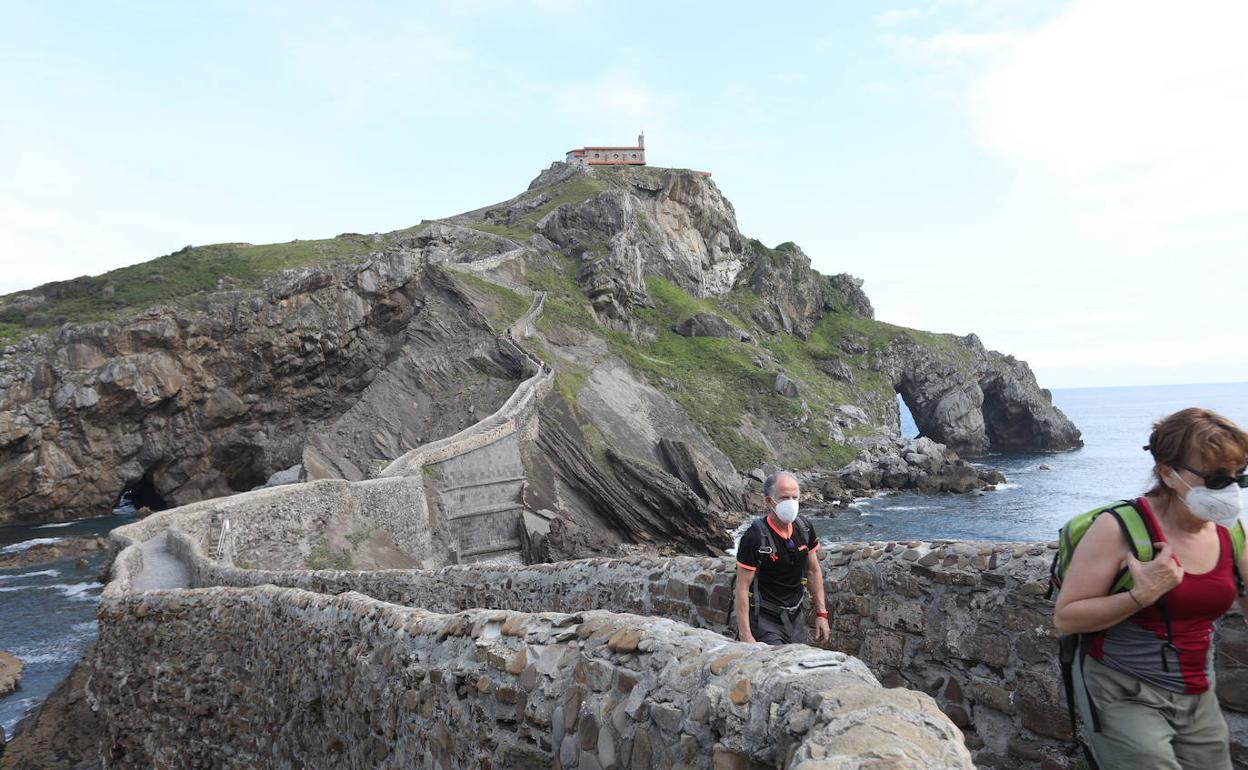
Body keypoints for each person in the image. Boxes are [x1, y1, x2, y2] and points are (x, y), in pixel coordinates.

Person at [1054, 408, 1248, 770]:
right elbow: (1066, 618)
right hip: (1124, 689)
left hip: (1198, 691)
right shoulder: (1119, 528)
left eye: (1241, 476)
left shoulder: (1231, 532)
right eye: (1219, 479)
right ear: (1168, 473)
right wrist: (1139, 596)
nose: (1233, 489)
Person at [734, 471, 830, 645]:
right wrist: (746, 635)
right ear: (769, 501)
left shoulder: (804, 529)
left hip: (796, 618)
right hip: (765, 620)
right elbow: (741, 587)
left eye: (795, 497)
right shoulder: (755, 537)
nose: (791, 503)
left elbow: (813, 570)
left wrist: (821, 614)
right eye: (785, 498)